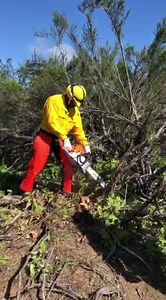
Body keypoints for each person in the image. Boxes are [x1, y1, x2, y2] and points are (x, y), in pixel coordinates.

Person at [20, 84, 91, 195]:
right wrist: (65, 138)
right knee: (36, 164)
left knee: (68, 164)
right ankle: (26, 191)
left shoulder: (75, 111)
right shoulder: (53, 101)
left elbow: (78, 130)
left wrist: (85, 144)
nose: (74, 104)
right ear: (69, 96)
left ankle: (66, 192)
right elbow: (52, 122)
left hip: (61, 139)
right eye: (73, 101)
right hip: (46, 136)